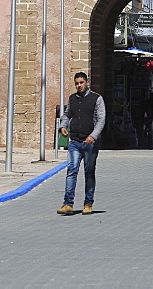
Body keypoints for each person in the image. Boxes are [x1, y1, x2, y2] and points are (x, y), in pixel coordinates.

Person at [58, 72, 105, 215]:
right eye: (77, 83)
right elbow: (67, 114)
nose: (79, 85)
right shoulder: (72, 99)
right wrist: (63, 126)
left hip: (90, 143)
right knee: (71, 171)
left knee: (89, 173)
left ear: (87, 82)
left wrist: (93, 136)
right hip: (75, 142)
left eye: (81, 82)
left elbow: (101, 119)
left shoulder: (97, 99)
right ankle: (68, 204)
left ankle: (88, 203)